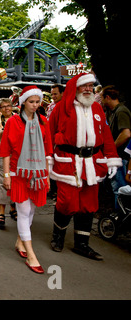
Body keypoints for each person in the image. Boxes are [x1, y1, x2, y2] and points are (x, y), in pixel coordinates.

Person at [49, 73, 122, 260]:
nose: (89, 89)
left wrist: (112, 157)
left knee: (88, 204)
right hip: (68, 162)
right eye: (85, 86)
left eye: (91, 86)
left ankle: (82, 244)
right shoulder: (61, 108)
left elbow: (105, 135)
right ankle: (58, 237)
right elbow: (48, 135)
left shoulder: (97, 108)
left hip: (92, 164)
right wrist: (47, 158)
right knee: (66, 202)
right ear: (76, 88)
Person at [0, 86, 53, 274]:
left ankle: (20, 242)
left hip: (38, 174)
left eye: (38, 102)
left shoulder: (44, 122)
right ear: (23, 102)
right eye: (32, 102)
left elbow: (47, 152)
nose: (35, 105)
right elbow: (5, 151)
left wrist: (46, 175)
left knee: (31, 210)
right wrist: (6, 175)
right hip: (17, 173)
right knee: (23, 210)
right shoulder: (13, 122)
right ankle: (31, 255)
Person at [101, 85, 131, 208]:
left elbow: (126, 133)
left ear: (107, 97)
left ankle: (120, 218)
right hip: (118, 156)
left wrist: (111, 149)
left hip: (120, 157)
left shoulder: (121, 111)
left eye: (102, 98)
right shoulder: (114, 112)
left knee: (120, 189)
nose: (101, 101)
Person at [0, 98, 16, 229]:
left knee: (15, 182)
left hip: (16, 156)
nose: (7, 109)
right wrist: (0, 134)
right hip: (1, 154)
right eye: (3, 107)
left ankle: (13, 207)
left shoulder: (18, 118)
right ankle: (1, 212)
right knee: (3, 183)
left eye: (8, 106)